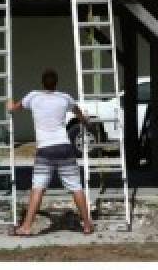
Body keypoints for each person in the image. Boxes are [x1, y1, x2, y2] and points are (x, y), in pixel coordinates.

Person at [8, 70, 95, 236]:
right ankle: (87, 225)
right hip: (64, 147)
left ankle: (26, 227)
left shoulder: (33, 97)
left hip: (45, 150)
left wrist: (9, 105)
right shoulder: (65, 98)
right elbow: (79, 114)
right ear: (56, 83)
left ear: (42, 83)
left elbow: (14, 108)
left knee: (38, 187)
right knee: (76, 187)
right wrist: (86, 121)